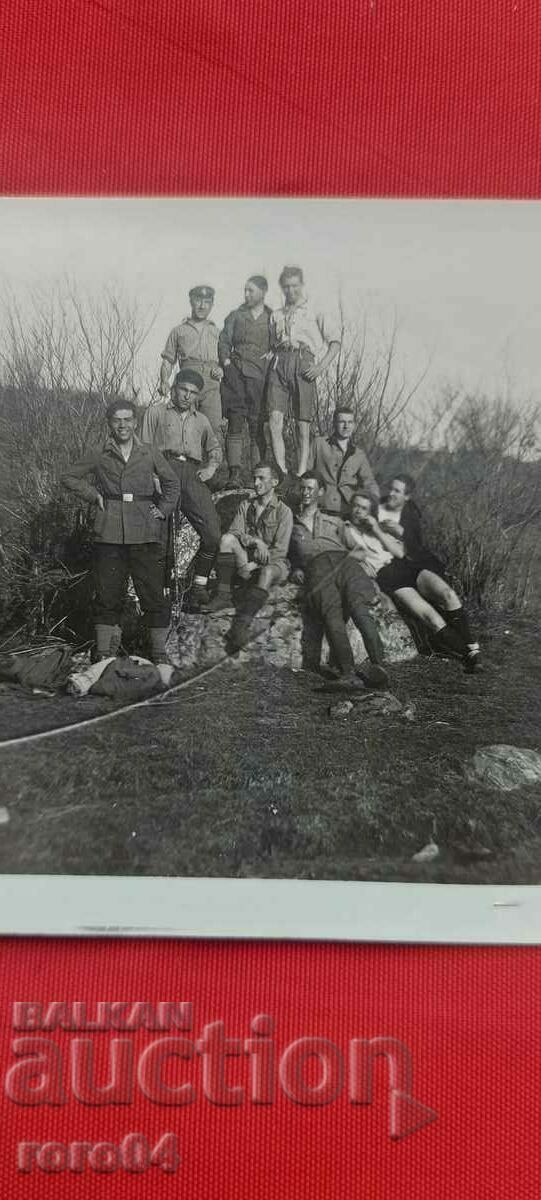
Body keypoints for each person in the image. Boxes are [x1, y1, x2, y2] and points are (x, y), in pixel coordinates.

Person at [61, 398, 179, 663]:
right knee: (107, 594)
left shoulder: (149, 452)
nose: (122, 425)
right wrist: (93, 495)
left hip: (145, 529)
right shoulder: (99, 452)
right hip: (110, 529)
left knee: (152, 593)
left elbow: (172, 483)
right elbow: (68, 477)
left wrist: (163, 510)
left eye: (127, 419)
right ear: (109, 424)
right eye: (117, 420)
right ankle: (104, 654)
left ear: (135, 423)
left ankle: (159, 653)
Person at [344, 479, 482, 672]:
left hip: (407, 566)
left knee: (448, 594)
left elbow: (400, 553)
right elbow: (347, 555)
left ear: (371, 511)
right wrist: (359, 559)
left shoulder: (377, 526)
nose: (359, 511)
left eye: (364, 508)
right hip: (389, 576)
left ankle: (472, 646)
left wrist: (376, 529)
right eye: (356, 506)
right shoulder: (346, 529)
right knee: (430, 617)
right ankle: (471, 656)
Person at [288, 472, 388, 690]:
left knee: (360, 609)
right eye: (302, 488)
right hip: (317, 569)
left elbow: (360, 552)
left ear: (321, 492)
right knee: (331, 614)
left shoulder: (334, 520)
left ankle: (379, 668)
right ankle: (348, 673)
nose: (305, 493)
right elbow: (288, 556)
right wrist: (296, 568)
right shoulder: (291, 525)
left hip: (345, 564)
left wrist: (344, 558)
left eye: (310, 489)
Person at [141, 368, 222, 610]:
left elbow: (215, 449)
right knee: (162, 538)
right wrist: (153, 476)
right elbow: (143, 449)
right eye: (184, 390)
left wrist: (211, 468)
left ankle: (199, 584)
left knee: (213, 532)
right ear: (174, 388)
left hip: (192, 474)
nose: (187, 396)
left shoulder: (202, 420)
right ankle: (161, 595)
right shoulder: (155, 412)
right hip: (164, 471)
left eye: (193, 393)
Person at [206, 463, 293, 652]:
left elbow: (280, 551)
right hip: (247, 560)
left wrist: (253, 566)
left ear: (274, 482)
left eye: (261, 478)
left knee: (268, 571)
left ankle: (240, 627)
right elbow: (235, 532)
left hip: (272, 564)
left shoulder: (284, 512)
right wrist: (255, 541)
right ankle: (223, 594)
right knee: (227, 539)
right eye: (254, 478)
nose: (256, 482)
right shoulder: (246, 505)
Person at [266, 267, 341, 479]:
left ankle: (301, 472)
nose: (291, 290)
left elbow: (335, 342)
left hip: (303, 362)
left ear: (302, 285)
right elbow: (272, 343)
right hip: (279, 362)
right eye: (287, 286)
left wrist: (320, 367)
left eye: (295, 286)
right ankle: (280, 471)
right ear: (282, 287)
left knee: (302, 424)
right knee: (274, 419)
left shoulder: (314, 310)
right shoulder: (276, 314)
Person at [218, 276, 272, 488]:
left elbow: (279, 341)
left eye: (251, 291)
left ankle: (257, 477)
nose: (246, 295)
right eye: (245, 291)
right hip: (237, 376)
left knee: (257, 427)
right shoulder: (236, 316)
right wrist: (227, 363)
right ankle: (234, 475)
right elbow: (224, 341)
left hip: (261, 380)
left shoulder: (272, 317)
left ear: (263, 291)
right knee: (235, 423)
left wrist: (272, 355)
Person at [158, 285, 223, 434]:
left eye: (207, 302)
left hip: (211, 385)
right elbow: (168, 360)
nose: (202, 306)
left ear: (212, 305)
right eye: (198, 300)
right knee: (182, 428)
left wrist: (221, 369)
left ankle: (213, 458)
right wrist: (164, 381)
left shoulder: (217, 332)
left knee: (213, 431)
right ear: (191, 302)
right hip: (186, 382)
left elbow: (224, 359)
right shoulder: (178, 331)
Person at [311, 406, 379, 514]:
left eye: (350, 422)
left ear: (354, 425)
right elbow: (306, 472)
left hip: (346, 510)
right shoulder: (319, 444)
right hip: (321, 507)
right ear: (334, 423)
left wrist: (376, 503)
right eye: (342, 422)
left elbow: (369, 482)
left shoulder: (358, 454)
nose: (346, 426)